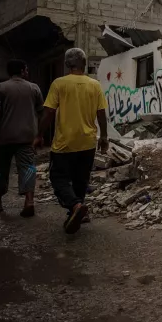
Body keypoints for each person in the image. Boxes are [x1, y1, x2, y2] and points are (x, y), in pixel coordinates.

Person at [37, 48, 108, 234]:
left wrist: (38, 135)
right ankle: (77, 211)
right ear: (84, 64)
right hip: (88, 142)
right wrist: (105, 137)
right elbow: (102, 114)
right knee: (80, 180)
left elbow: (49, 113)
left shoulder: (59, 84)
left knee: (58, 178)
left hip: (64, 143)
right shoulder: (95, 85)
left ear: (68, 64)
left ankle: (75, 206)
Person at [0, 60, 44, 217]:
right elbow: (40, 112)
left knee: (0, 170)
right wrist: (39, 134)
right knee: (28, 168)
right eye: (26, 69)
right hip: (26, 137)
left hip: (3, 138)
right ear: (23, 71)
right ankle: (29, 202)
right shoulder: (34, 88)